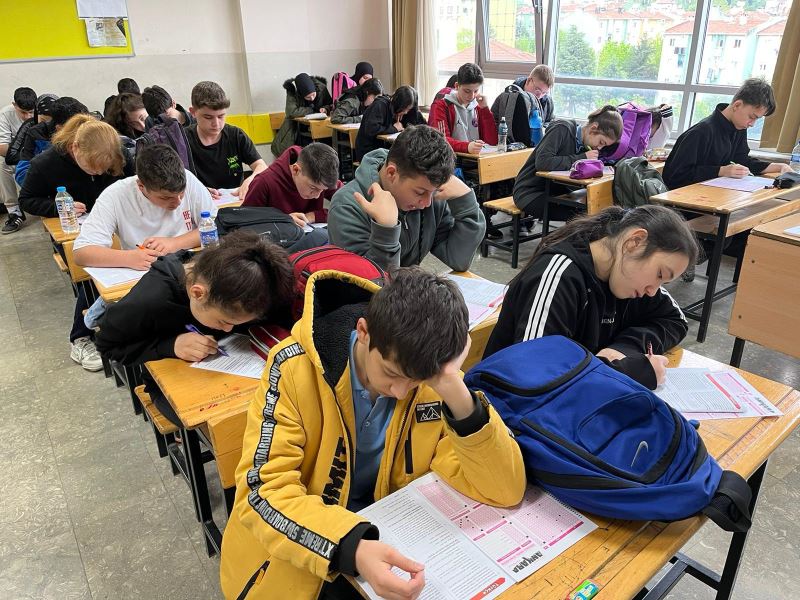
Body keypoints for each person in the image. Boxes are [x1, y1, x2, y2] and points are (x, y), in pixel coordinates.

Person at [219, 266, 525, 600]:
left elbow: (504, 490)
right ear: (363, 331)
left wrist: (452, 385)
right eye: (391, 373)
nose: (401, 391)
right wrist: (351, 548)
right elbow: (262, 493)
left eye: (416, 381)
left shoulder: (429, 375)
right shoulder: (293, 368)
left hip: (387, 536)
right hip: (305, 551)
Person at [484, 205, 697, 390]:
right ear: (635, 242)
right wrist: (630, 372)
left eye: (663, 283)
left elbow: (675, 320)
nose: (653, 291)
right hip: (510, 411)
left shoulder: (631, 279)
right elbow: (534, 373)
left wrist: (624, 348)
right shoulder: (559, 275)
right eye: (660, 274)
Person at [95, 230, 294, 425]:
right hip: (173, 381)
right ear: (198, 294)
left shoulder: (253, 278)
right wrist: (170, 346)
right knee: (227, 422)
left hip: (235, 370)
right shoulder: (148, 302)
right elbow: (107, 345)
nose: (227, 329)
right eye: (223, 321)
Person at [329, 125, 485, 272]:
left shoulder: (430, 194)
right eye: (420, 192)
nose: (427, 203)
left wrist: (467, 204)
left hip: (406, 288)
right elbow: (368, 285)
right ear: (391, 173)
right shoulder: (347, 207)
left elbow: (458, 260)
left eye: (433, 192)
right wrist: (386, 230)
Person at [73, 144, 215, 269]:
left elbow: (216, 226)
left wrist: (174, 243)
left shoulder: (188, 178)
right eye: (166, 197)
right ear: (141, 186)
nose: (178, 202)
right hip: (143, 273)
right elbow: (81, 252)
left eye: (181, 193)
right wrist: (128, 258)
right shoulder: (115, 195)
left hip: (189, 265)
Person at [662, 78, 791, 190]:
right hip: (683, 201)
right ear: (737, 105)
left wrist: (779, 166)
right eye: (752, 117)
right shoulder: (701, 132)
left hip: (712, 195)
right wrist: (721, 171)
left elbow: (743, 161)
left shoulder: (738, 128)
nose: (752, 124)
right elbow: (675, 176)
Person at [512, 105, 623, 221]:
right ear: (593, 128)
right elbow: (542, 162)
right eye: (601, 142)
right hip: (530, 193)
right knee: (585, 215)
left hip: (555, 192)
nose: (599, 148)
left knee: (597, 208)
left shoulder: (584, 145)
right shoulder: (562, 128)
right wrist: (582, 158)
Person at [19, 113, 131, 218]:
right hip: (74, 222)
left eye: (106, 168)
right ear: (74, 148)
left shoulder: (120, 153)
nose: (99, 172)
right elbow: (26, 200)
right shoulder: (45, 163)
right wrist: (60, 208)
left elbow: (134, 184)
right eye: (91, 168)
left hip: (116, 215)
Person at [186, 81, 266, 202]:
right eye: (208, 117)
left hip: (235, 202)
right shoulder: (182, 140)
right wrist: (197, 190)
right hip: (200, 203)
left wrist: (251, 179)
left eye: (221, 116)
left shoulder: (236, 135)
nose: (216, 124)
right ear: (193, 112)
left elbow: (262, 166)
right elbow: (175, 180)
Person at [242, 142, 341, 226]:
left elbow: (347, 205)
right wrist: (282, 219)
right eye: (313, 188)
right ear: (296, 170)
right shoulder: (264, 182)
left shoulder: (321, 177)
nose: (317, 196)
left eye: (323, 190)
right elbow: (244, 221)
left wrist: (314, 216)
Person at [13, 97, 89, 186]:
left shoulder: (90, 130)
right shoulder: (36, 134)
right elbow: (22, 174)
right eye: (76, 128)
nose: (81, 131)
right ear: (60, 128)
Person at [427, 62, 498, 155]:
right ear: (457, 86)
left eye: (476, 91)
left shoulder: (479, 106)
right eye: (467, 91)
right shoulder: (441, 106)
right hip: (451, 159)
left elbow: (492, 142)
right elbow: (440, 141)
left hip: (477, 159)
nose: (471, 96)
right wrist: (467, 147)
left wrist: (485, 110)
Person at [354, 85, 426, 161]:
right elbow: (371, 129)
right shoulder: (380, 105)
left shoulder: (398, 111)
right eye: (405, 109)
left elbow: (417, 122)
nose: (406, 112)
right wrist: (394, 128)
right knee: (404, 161)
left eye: (408, 109)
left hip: (383, 149)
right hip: (369, 152)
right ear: (399, 104)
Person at [271, 73, 334, 157]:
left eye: (313, 95)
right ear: (301, 94)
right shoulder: (293, 91)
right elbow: (291, 112)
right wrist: (312, 110)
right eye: (308, 97)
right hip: (298, 127)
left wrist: (326, 109)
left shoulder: (321, 87)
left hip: (321, 125)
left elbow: (330, 104)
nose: (312, 98)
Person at [0, 87, 36, 234]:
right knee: (1, 163)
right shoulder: (5, 114)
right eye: (23, 112)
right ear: (14, 105)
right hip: (20, 157)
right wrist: (26, 157)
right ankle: (15, 212)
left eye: (31, 112)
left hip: (41, 156)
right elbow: (2, 147)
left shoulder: (42, 111)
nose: (28, 116)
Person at [5, 93, 58, 168]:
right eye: (43, 120)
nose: (47, 125)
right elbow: (11, 156)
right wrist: (30, 155)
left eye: (52, 122)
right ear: (36, 114)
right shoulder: (30, 125)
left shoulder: (62, 128)